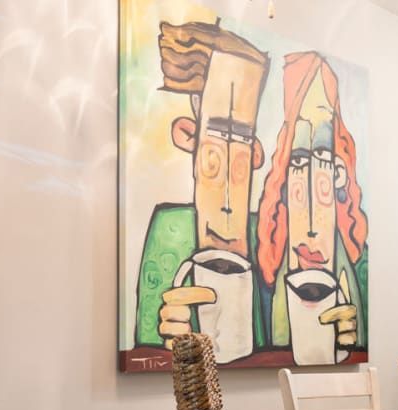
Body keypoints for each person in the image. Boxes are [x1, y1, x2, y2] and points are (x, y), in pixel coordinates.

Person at [133, 20, 269, 360]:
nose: (226, 199)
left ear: (255, 155)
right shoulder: (169, 230)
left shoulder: (271, 237)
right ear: (187, 137)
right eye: (212, 154)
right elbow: (143, 349)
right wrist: (164, 333)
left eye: (241, 146)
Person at [256, 51, 368, 365]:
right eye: (298, 161)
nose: (311, 230)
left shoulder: (361, 270)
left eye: (323, 159)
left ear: (339, 174)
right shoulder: (257, 283)